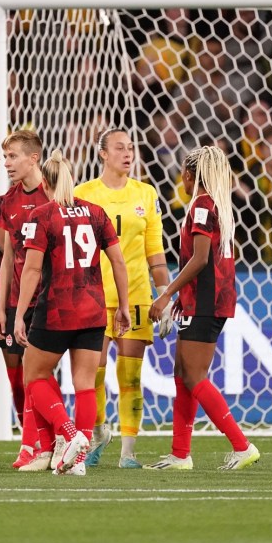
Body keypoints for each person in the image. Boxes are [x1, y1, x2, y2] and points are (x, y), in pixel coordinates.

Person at [13, 150, 131, 476]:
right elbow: (118, 262)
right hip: (93, 309)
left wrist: (20, 313)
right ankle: (78, 462)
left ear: (46, 184)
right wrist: (122, 305)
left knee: (34, 375)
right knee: (85, 384)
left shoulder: (42, 215)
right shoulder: (96, 213)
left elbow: (33, 270)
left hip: (56, 310)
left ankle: (68, 435)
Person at [146, 146, 260, 471]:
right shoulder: (214, 205)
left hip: (207, 303)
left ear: (191, 175)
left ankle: (242, 445)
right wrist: (182, 299)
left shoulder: (200, 205)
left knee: (194, 377)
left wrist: (166, 294)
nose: (179, 178)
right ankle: (180, 454)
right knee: (182, 375)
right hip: (203, 300)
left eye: (183, 172)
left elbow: (200, 259)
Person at [73, 128, 170, 469]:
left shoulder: (146, 194)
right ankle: (100, 432)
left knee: (130, 376)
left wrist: (166, 295)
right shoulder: (82, 194)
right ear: (102, 154)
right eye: (119, 148)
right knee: (92, 375)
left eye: (131, 147)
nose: (127, 153)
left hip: (137, 295)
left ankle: (128, 452)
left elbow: (154, 252)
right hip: (93, 296)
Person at [0, 130, 51, 469]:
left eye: (12, 157)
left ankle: (33, 444)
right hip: (12, 299)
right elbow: (6, 257)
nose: (6, 163)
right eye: (4, 156)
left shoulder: (54, 196)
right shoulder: (5, 203)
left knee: (35, 372)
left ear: (33, 158)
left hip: (47, 298)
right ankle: (40, 438)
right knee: (16, 377)